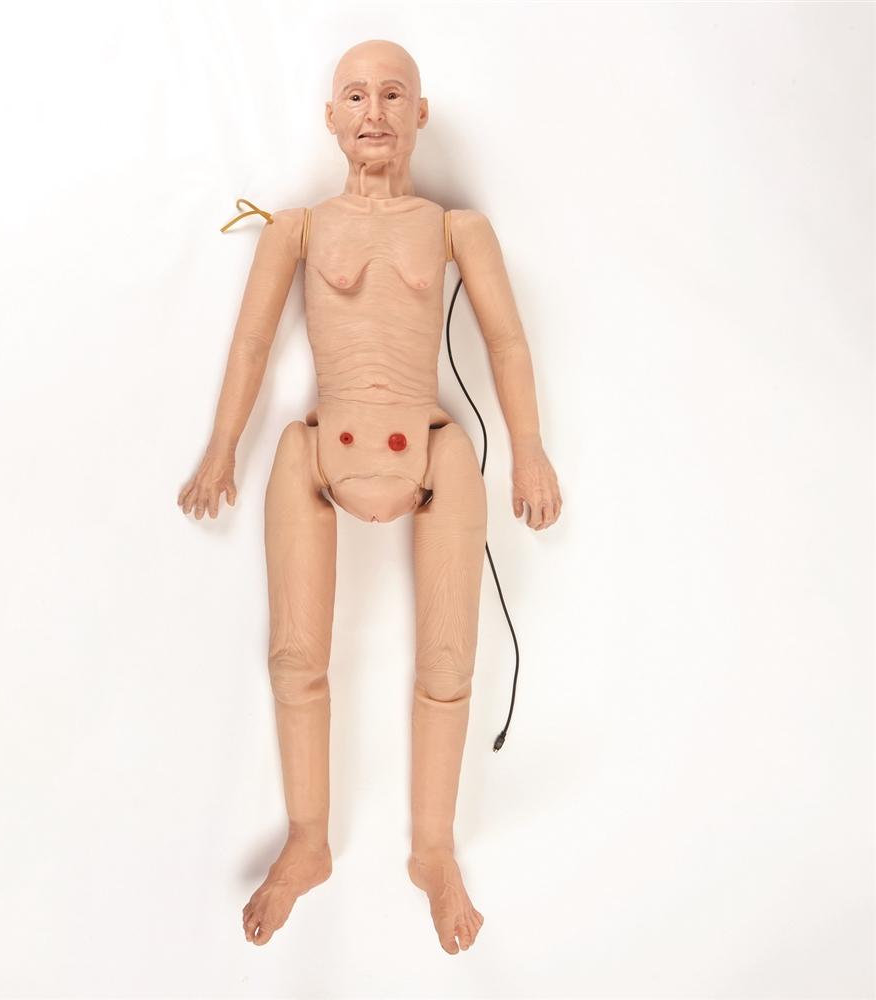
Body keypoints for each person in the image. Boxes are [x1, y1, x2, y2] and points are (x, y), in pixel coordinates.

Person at [177, 38, 562, 954]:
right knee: (294, 657)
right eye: (355, 96)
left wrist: (529, 453)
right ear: (330, 118)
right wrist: (221, 449)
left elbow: (507, 342)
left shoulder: (456, 229)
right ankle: (308, 840)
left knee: (449, 664)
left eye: (393, 94)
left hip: (431, 451)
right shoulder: (298, 228)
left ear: (420, 113)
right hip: (321, 451)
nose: (375, 111)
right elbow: (250, 344)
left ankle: (433, 851)